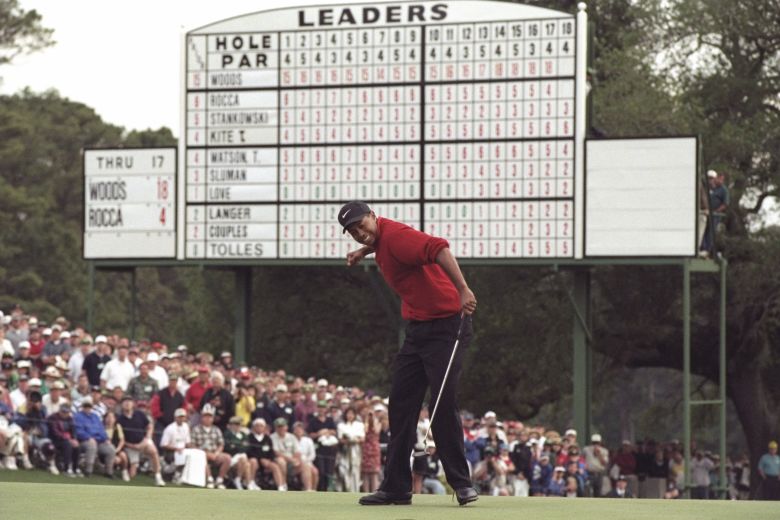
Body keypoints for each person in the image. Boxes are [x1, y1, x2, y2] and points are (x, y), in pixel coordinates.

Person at [339, 201, 478, 507]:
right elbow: (382, 246)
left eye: (362, 225)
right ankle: (396, 488)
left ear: (374, 217)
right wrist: (363, 252)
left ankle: (462, 484)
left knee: (441, 403)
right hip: (418, 331)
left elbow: (439, 248)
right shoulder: (381, 240)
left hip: (447, 326)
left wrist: (463, 289)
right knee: (401, 404)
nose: (360, 233)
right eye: (352, 233)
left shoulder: (398, 235)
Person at [116, 396, 165, 486]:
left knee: (153, 451)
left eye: (129, 401)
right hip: (130, 446)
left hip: (143, 441)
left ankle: (158, 476)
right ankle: (131, 467)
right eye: (125, 401)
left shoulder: (139, 414)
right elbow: (120, 438)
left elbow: (149, 426)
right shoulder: (119, 419)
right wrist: (133, 446)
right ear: (122, 405)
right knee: (132, 475)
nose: (127, 403)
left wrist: (147, 438)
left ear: (133, 404)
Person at [73, 397, 116, 478]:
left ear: (92, 407)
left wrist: (106, 439)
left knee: (111, 448)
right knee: (91, 446)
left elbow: (102, 429)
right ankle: (88, 471)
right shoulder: (78, 416)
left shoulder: (95, 417)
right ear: (82, 407)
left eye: (89, 406)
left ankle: (109, 472)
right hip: (83, 441)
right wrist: (88, 437)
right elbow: (78, 431)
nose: (87, 408)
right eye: (85, 406)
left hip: (99, 441)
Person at [191, 404, 231, 489]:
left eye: (210, 417)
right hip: (201, 453)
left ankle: (220, 480)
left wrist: (216, 453)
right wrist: (205, 453)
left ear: (213, 418)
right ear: (202, 417)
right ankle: (209, 479)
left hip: (214, 453)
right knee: (202, 456)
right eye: (205, 416)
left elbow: (221, 444)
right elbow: (192, 445)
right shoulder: (196, 429)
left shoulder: (216, 430)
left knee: (227, 458)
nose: (208, 418)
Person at [247, 417, 286, 491]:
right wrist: (260, 458)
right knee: (253, 461)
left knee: (275, 466)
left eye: (261, 426)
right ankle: (251, 482)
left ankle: (280, 486)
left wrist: (269, 459)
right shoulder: (250, 437)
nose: (259, 427)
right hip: (254, 459)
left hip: (266, 460)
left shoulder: (267, 439)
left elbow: (270, 451)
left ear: (264, 428)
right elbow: (249, 451)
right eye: (257, 425)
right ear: (254, 427)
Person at [223, 415, 260, 490]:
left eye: (239, 424)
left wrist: (236, 445)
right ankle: (245, 482)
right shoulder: (227, 434)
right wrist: (240, 446)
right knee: (244, 460)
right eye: (236, 424)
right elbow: (228, 448)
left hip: (243, 458)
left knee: (252, 461)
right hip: (232, 459)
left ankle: (246, 481)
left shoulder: (244, 435)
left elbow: (246, 448)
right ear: (231, 425)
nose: (238, 426)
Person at [48, 403, 80, 476]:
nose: (64, 414)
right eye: (63, 412)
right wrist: (67, 438)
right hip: (55, 440)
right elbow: (55, 432)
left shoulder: (70, 419)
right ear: (60, 411)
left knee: (77, 446)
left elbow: (73, 430)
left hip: (67, 439)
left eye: (66, 412)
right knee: (67, 445)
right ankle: (66, 468)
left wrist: (74, 439)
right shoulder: (53, 417)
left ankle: (76, 468)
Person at [337, 407, 364, 492]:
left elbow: (362, 439)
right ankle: (345, 489)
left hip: (355, 450)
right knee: (344, 470)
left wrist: (354, 440)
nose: (350, 415)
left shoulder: (359, 425)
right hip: (344, 451)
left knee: (355, 470)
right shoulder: (341, 425)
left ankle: (355, 490)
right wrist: (349, 440)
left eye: (352, 413)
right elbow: (341, 439)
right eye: (348, 413)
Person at [361, 408, 382, 493]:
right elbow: (365, 431)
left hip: (374, 448)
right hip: (366, 448)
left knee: (374, 473)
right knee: (365, 473)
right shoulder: (364, 423)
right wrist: (366, 420)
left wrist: (373, 420)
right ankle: (366, 492)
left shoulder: (378, 423)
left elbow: (376, 431)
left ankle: (374, 492)